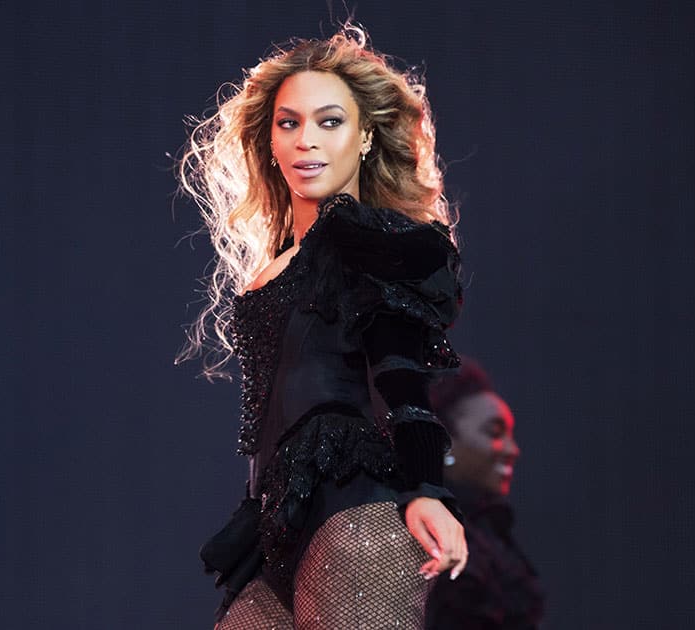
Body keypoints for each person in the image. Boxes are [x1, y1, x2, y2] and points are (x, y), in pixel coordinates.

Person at [179, 25, 467, 628]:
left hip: (355, 518)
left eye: (329, 122)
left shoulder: (372, 240)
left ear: (365, 137)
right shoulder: (276, 264)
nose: (306, 140)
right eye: (289, 123)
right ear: (271, 139)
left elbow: (401, 373)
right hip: (275, 529)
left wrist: (426, 489)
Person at [425, 359, 545, 629]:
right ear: (447, 441)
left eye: (511, 435)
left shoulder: (491, 535)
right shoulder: (424, 532)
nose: (512, 450)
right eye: (495, 432)